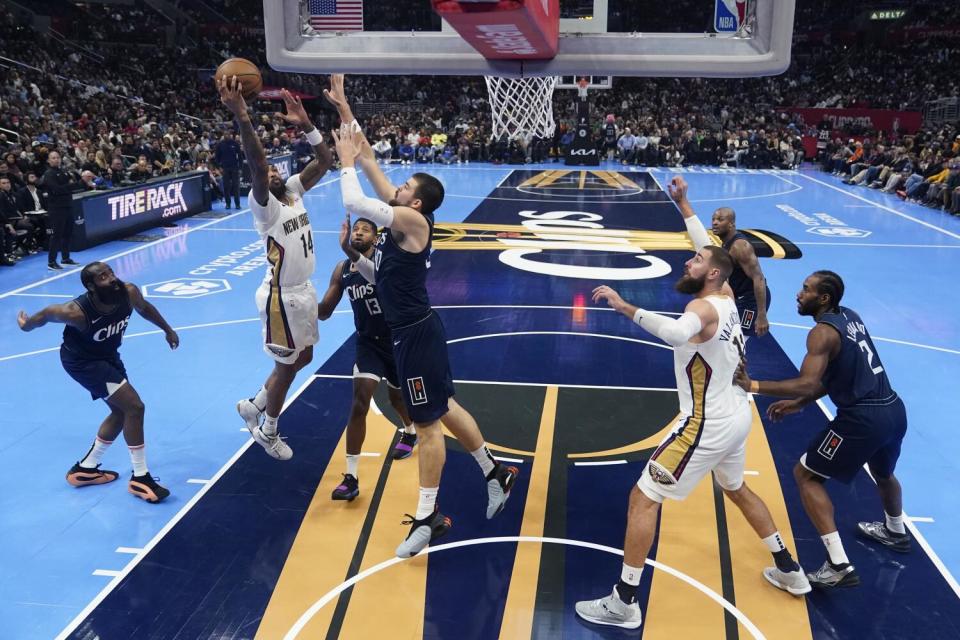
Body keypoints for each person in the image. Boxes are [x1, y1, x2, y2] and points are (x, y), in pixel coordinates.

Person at [325, 74, 519, 558]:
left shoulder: (411, 222)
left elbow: (354, 195)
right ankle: (495, 472)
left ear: (415, 202)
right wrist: (346, 110)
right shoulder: (406, 212)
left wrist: (344, 163)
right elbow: (369, 157)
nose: (397, 185)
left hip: (415, 335)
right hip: (412, 332)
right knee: (446, 407)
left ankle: (430, 518)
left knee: (427, 425)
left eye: (404, 185)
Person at [575, 246, 809, 630]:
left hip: (706, 423)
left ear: (714, 273)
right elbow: (719, 256)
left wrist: (623, 305)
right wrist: (685, 206)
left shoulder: (701, 310)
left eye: (697, 259)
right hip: (737, 413)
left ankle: (624, 601)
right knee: (736, 489)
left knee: (643, 498)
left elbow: (672, 333)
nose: (688, 261)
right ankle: (788, 567)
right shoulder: (728, 297)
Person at [735, 271, 909, 589]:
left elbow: (808, 380)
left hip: (861, 419)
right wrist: (802, 402)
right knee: (883, 473)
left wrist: (754, 385)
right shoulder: (850, 317)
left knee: (807, 475)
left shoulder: (821, 334)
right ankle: (895, 529)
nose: (798, 294)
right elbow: (841, 374)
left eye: (806, 290)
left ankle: (838, 565)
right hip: (894, 410)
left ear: (823, 298)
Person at [219, 76, 334, 460]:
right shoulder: (265, 208)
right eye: (265, 174)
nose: (270, 173)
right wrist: (243, 117)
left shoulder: (293, 191)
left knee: (304, 358)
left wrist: (308, 125)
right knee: (285, 368)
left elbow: (325, 161)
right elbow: (256, 162)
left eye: (272, 171)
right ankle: (268, 429)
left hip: (303, 291)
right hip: (280, 299)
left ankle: (254, 405)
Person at [17, 261, 179, 503]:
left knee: (122, 412)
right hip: (82, 363)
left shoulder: (128, 291)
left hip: (108, 356)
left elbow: (144, 308)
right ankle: (140, 478)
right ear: (91, 286)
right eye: (103, 277)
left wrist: (167, 329)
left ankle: (86, 468)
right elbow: (46, 315)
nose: (112, 278)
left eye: (111, 272)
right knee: (134, 407)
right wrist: (26, 325)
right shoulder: (75, 312)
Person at [317, 216, 419, 501]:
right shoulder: (343, 269)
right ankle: (351, 477)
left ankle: (410, 431)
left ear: (376, 239)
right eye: (356, 229)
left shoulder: (384, 261)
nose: (358, 233)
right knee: (360, 402)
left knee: (399, 399)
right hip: (367, 344)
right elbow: (325, 310)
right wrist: (300, 305)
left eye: (365, 230)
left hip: (396, 340)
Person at [667, 176, 771, 339]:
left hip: (751, 299)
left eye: (720, 219)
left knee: (736, 339)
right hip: (737, 295)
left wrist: (762, 314)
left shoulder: (740, 246)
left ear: (731, 224)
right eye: (713, 219)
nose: (715, 223)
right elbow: (703, 244)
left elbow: (759, 279)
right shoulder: (725, 243)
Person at [40, 150, 81, 270]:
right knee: (56, 235)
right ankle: (51, 262)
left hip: (67, 205)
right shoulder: (49, 174)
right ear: (48, 160)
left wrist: (73, 185)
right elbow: (57, 190)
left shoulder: (63, 171)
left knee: (67, 233)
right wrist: (70, 186)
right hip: (56, 208)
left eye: (57, 157)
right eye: (53, 158)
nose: (56, 159)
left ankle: (65, 258)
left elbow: (71, 186)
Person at [214, 130, 243, 209]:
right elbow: (216, 157)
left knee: (236, 186)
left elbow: (240, 156)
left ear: (230, 135)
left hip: (234, 168)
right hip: (225, 168)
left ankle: (237, 204)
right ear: (223, 135)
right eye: (225, 134)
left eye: (228, 134)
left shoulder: (235, 144)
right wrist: (219, 167)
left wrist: (240, 167)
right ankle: (228, 204)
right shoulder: (220, 145)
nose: (226, 135)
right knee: (226, 187)